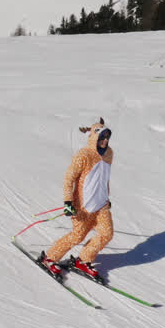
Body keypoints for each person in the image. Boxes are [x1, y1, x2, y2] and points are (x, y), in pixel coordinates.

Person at [38, 119, 115, 282]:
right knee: (77, 236)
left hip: (101, 204)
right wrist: (68, 201)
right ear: (94, 137)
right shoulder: (84, 155)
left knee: (106, 234)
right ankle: (49, 258)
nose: (105, 141)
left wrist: (106, 197)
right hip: (82, 205)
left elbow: (104, 178)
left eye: (107, 137)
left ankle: (83, 260)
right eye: (102, 137)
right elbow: (69, 178)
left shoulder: (109, 154)